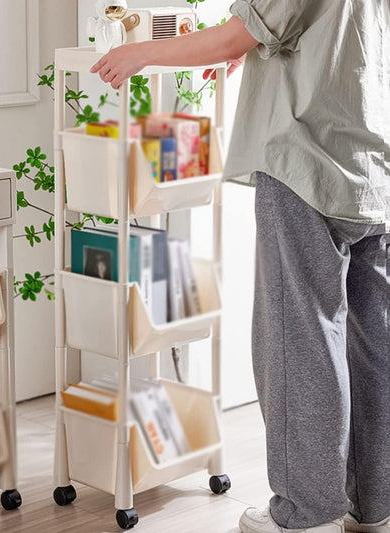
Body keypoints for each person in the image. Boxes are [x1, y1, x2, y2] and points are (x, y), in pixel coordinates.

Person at [91, 1, 390, 532]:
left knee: (301, 343)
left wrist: (138, 52)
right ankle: (375, 508)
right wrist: (249, 47)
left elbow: (240, 32)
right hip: (374, 165)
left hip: (306, 161)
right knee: (375, 347)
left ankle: (306, 514)